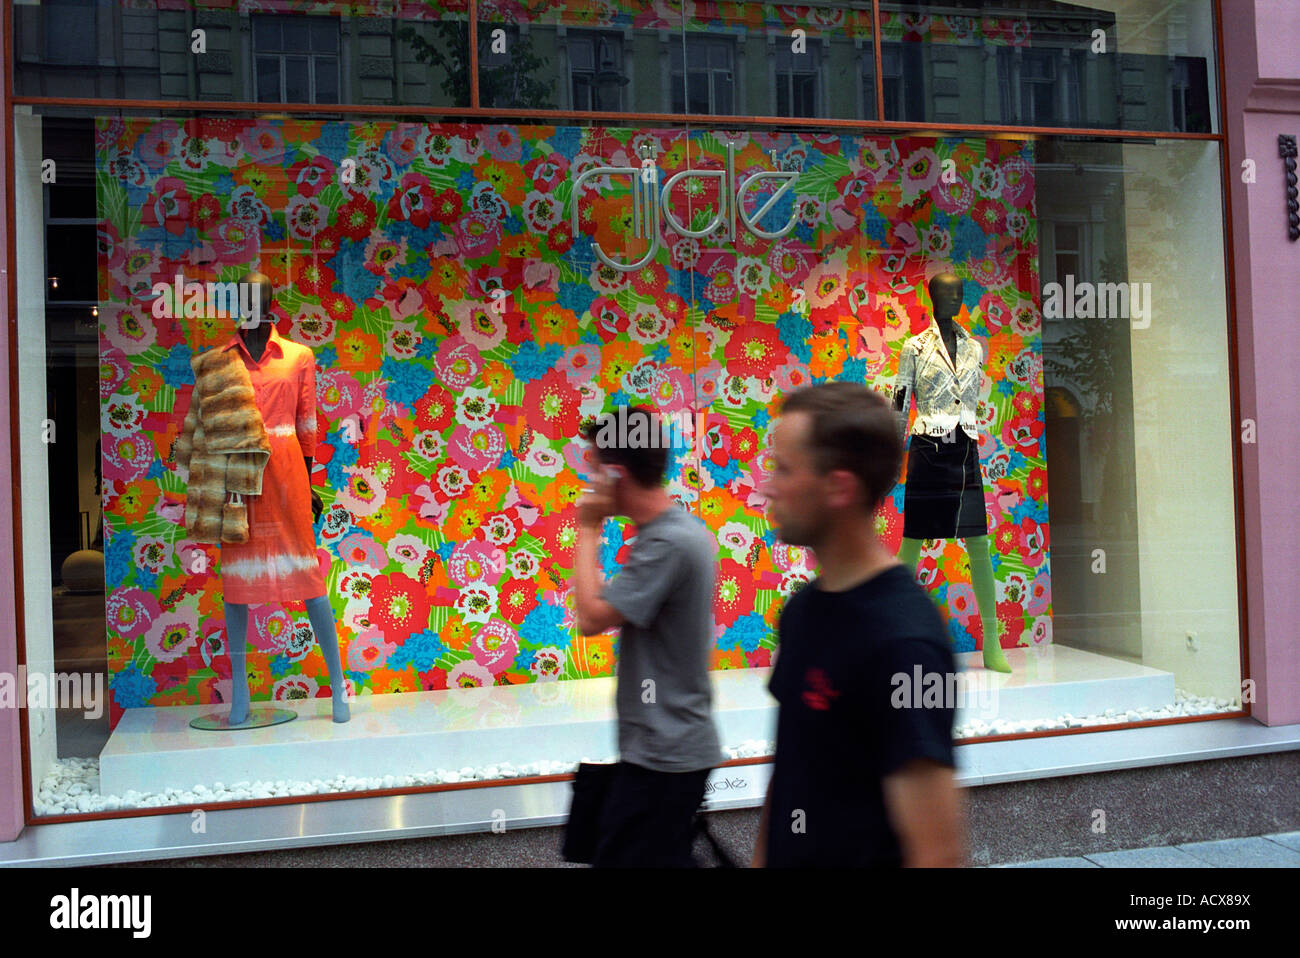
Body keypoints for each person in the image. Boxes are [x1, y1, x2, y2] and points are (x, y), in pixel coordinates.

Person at [752, 383, 965, 867]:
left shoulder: (906, 644)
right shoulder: (803, 611)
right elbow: (790, 775)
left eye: (784, 469)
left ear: (839, 488)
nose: (768, 486)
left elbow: (937, 853)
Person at [573, 405, 723, 867]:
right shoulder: (673, 533)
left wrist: (587, 526)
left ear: (618, 473)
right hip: (665, 750)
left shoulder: (667, 543)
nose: (591, 482)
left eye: (596, 469)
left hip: (665, 755)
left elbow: (590, 616)